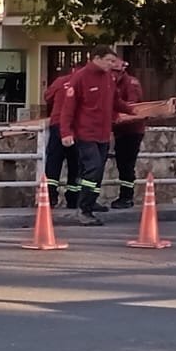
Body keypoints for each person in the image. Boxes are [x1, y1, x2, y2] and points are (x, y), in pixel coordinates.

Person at [59, 45, 135, 226]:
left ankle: (90, 203)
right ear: (97, 58)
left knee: (97, 172)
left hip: (103, 134)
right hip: (86, 133)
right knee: (92, 169)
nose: (112, 65)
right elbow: (67, 109)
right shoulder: (80, 78)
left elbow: (115, 101)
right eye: (109, 61)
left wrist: (132, 109)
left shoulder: (108, 78)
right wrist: (66, 132)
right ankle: (84, 209)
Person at [43, 66, 82, 208]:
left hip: (57, 125)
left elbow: (47, 97)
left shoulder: (60, 81)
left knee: (54, 161)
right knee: (76, 163)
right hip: (76, 127)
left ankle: (50, 196)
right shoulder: (84, 83)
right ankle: (73, 198)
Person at [110, 64, 146, 209]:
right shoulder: (113, 83)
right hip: (120, 130)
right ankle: (125, 195)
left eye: (114, 72)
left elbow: (132, 107)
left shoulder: (131, 83)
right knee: (121, 163)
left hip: (132, 130)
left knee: (126, 164)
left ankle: (126, 197)